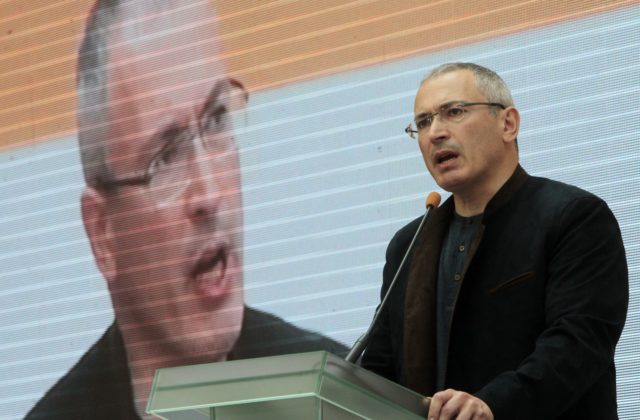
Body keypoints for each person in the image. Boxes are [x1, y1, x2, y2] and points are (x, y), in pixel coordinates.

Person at [26, 1, 345, 418]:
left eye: (216, 120)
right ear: (103, 235)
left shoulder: (337, 397)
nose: (210, 195)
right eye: (165, 158)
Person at [361, 62, 628, 419]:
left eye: (454, 112)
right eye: (423, 122)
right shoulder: (409, 244)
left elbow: (578, 345)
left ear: (508, 123)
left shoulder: (574, 217)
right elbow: (379, 370)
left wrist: (493, 404)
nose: (435, 132)